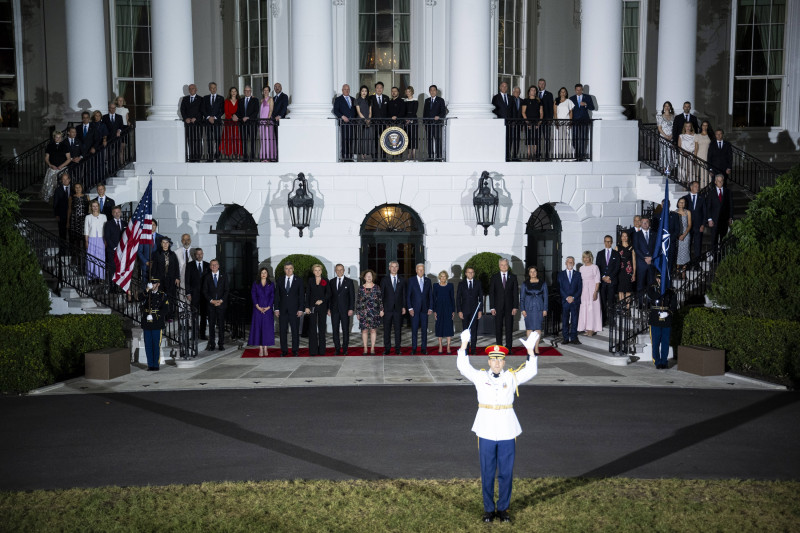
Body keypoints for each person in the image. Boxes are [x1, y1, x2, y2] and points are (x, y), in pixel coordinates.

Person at [456, 331, 539, 524]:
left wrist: (530, 352)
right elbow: (463, 367)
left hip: (506, 428)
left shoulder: (510, 377)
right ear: (488, 361)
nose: (496, 363)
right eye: (493, 359)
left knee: (506, 472)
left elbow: (531, 371)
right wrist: (464, 344)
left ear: (503, 362)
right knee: (487, 470)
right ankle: (488, 509)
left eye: (500, 360)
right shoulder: (479, 376)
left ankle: (503, 508)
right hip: (485, 428)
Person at [129, 279, 170, 371]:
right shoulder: (147, 293)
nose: (153, 285)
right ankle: (150, 364)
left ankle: (156, 365)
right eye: (151, 283)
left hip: (156, 322)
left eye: (154, 283)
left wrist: (155, 316)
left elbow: (165, 309)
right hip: (146, 322)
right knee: (148, 344)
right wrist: (147, 289)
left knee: (156, 344)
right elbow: (139, 298)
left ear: (158, 284)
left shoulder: (163, 295)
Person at [646, 272, 677, 369]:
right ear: (657, 279)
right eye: (659, 278)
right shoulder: (652, 289)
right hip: (655, 319)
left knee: (665, 342)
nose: (660, 280)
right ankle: (657, 362)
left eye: (662, 279)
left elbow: (674, 306)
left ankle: (664, 361)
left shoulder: (670, 292)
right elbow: (653, 297)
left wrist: (668, 313)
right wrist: (661, 290)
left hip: (666, 319)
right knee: (655, 342)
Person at [274, 262, 304, 357]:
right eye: (286, 268)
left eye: (290, 268)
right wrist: (276, 309)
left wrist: (300, 309)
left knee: (295, 331)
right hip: (282, 310)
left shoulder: (299, 280)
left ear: (293, 269)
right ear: (284, 270)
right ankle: (284, 350)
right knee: (283, 331)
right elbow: (277, 296)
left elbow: (301, 296)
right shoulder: (280, 280)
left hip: (295, 310)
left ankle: (295, 350)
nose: (288, 270)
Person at [489, 258, 519, 349]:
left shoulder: (513, 277)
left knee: (509, 328)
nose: (504, 266)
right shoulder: (494, 277)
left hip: (510, 307)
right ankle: (499, 347)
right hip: (497, 307)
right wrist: (492, 307)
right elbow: (492, 293)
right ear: (499, 266)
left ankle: (509, 347)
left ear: (508, 265)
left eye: (505, 264)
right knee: (498, 328)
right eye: (502, 265)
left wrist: (515, 307)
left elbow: (515, 293)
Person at [519, 266, 547, 354]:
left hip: (539, 308)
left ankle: (537, 348)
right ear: (529, 273)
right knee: (529, 329)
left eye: (534, 271)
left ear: (537, 272)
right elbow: (522, 298)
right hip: (528, 308)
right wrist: (522, 309)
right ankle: (530, 347)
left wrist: (545, 309)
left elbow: (546, 297)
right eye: (531, 271)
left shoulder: (543, 283)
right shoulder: (525, 284)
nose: (533, 273)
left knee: (538, 328)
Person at [380, 261, 406, 354]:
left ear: (398, 268)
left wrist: (403, 306)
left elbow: (403, 294)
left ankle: (397, 349)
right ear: (389, 268)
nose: (394, 268)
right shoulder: (384, 280)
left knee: (398, 330)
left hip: (398, 309)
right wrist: (381, 308)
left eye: (396, 267)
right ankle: (387, 349)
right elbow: (381, 295)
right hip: (387, 309)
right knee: (387, 330)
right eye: (392, 266)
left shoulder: (402, 280)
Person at [202, 259, 229, 350]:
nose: (214, 266)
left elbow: (226, 290)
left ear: (218, 266)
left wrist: (221, 301)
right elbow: (205, 291)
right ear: (210, 267)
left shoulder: (224, 276)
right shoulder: (207, 277)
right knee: (211, 326)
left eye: (215, 265)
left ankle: (221, 344)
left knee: (221, 325)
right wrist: (211, 301)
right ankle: (212, 344)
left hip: (221, 305)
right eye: (212, 265)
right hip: (211, 305)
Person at [329, 263, 355, 355]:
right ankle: (337, 348)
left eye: (341, 270)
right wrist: (328, 308)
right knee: (335, 330)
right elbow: (329, 296)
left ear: (344, 270)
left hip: (345, 310)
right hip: (334, 310)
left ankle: (345, 349)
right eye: (337, 270)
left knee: (345, 330)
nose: (339, 271)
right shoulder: (331, 282)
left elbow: (352, 297)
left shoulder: (349, 282)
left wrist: (351, 308)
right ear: (335, 271)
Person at [705, 173, 733, 261]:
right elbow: (708, 207)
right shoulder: (711, 192)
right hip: (714, 220)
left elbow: (731, 205)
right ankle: (715, 256)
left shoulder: (728, 192)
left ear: (723, 182)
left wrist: (730, 217)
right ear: (715, 182)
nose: (720, 183)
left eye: (721, 181)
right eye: (718, 181)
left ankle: (722, 255)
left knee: (723, 238)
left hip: (724, 220)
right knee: (714, 239)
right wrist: (709, 219)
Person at [356, 269, 383, 355]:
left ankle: (372, 348)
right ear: (364, 277)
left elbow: (380, 300)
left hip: (374, 312)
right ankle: (365, 348)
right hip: (363, 313)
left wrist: (382, 310)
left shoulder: (377, 287)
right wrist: (357, 312)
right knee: (364, 331)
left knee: (373, 330)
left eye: (370, 276)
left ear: (373, 277)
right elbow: (358, 301)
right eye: (367, 276)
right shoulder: (360, 288)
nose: (369, 277)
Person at [407, 263, 433, 354]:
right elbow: (408, 296)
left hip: (425, 309)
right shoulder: (411, 280)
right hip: (414, 309)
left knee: (424, 330)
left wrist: (430, 307)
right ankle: (414, 348)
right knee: (414, 330)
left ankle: (423, 348)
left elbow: (430, 295)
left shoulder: (428, 281)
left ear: (424, 270)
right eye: (419, 269)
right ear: (416, 270)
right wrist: (410, 308)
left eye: (422, 269)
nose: (421, 271)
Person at [457, 266, 483, 355]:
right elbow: (458, 298)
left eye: (472, 272)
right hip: (464, 311)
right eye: (469, 272)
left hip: (475, 311)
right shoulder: (461, 284)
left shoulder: (478, 283)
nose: (470, 274)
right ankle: (466, 348)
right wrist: (459, 311)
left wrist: (480, 310)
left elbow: (481, 298)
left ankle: (473, 348)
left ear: (474, 273)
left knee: (474, 330)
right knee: (465, 330)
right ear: (465, 273)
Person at [249, 267, 275, 356]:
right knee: (258, 329)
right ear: (260, 274)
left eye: (265, 273)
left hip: (268, 310)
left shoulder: (271, 284)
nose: (263, 274)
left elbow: (272, 296)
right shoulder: (255, 284)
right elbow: (253, 295)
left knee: (266, 329)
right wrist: (258, 307)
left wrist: (268, 307)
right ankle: (260, 349)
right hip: (257, 309)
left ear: (267, 274)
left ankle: (266, 348)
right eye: (262, 273)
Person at [305, 264, 330, 356]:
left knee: (322, 328)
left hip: (322, 307)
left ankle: (322, 350)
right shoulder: (310, 281)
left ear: (321, 271)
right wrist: (307, 307)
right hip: (312, 307)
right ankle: (313, 351)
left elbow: (328, 294)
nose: (317, 272)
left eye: (319, 270)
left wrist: (322, 300)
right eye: (316, 270)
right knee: (312, 329)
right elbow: (307, 294)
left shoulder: (325, 280)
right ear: (313, 271)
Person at [150, 237, 180, 312]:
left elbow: (176, 267)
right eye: (163, 242)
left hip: (171, 280)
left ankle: (170, 315)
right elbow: (154, 268)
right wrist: (155, 281)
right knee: (160, 297)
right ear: (161, 244)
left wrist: (177, 278)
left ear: (169, 244)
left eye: (167, 243)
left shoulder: (173, 254)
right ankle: (161, 315)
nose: (165, 244)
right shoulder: (157, 254)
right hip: (160, 280)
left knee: (171, 298)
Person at [186, 248, 210, 340]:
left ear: (203, 254)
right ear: (195, 255)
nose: (199, 256)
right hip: (194, 294)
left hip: (205, 295)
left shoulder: (208, 265)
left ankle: (202, 334)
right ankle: (195, 335)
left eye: (201, 254)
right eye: (197, 254)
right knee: (194, 315)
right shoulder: (190, 265)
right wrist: (188, 293)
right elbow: (187, 280)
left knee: (204, 315)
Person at [596, 235, 620, 325]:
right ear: (604, 242)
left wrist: (609, 277)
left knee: (611, 301)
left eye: (609, 241)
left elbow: (617, 267)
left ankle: (611, 319)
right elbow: (597, 267)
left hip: (612, 281)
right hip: (602, 282)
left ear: (612, 242)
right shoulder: (600, 253)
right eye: (606, 241)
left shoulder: (616, 254)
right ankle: (602, 320)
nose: (608, 243)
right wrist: (603, 277)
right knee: (602, 301)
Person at [558, 256, 582, 344]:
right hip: (565, 301)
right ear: (566, 263)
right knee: (565, 320)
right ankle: (565, 338)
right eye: (569, 262)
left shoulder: (578, 274)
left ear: (574, 263)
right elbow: (560, 288)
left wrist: (573, 297)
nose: (570, 263)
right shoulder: (561, 274)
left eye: (572, 262)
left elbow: (580, 288)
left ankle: (574, 338)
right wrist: (567, 297)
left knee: (575, 320)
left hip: (575, 301)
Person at [577, 251, 602, 337]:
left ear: (590, 257)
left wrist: (595, 292)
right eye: (584, 257)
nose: (586, 259)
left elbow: (597, 281)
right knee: (585, 309)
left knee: (592, 309)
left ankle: (592, 329)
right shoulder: (581, 268)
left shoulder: (595, 267)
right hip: (584, 291)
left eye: (587, 257)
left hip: (592, 290)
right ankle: (587, 328)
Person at [42, 130, 71, 201]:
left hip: (62, 169)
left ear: (61, 138)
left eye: (60, 137)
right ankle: (52, 200)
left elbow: (69, 159)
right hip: (52, 169)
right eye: (56, 137)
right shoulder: (50, 146)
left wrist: (61, 166)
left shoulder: (65, 146)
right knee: (50, 187)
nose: (58, 139)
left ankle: (63, 198)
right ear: (54, 137)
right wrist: (50, 165)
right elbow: (46, 158)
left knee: (62, 185)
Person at [682, 180, 706, 261]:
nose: (697, 188)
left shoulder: (702, 198)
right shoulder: (685, 198)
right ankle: (687, 262)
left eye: (698, 186)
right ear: (691, 187)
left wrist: (703, 224)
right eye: (696, 186)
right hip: (688, 226)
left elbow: (705, 212)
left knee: (698, 244)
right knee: (687, 244)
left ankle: (697, 262)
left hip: (698, 226)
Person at [83, 199, 107, 282]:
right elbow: (86, 230)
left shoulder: (103, 216)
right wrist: (86, 241)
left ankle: (100, 277)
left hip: (101, 239)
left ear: (98, 207)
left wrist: (105, 241)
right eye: (93, 206)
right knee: (91, 257)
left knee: (100, 257)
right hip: (91, 239)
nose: (95, 208)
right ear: (91, 208)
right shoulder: (88, 217)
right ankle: (91, 277)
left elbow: (105, 230)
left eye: (96, 206)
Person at [432, 271, 455, 353]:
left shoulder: (450, 286)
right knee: (439, 327)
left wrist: (453, 310)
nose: (443, 278)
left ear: (447, 277)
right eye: (441, 276)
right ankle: (440, 346)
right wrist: (434, 310)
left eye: (444, 276)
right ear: (439, 277)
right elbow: (434, 299)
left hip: (448, 308)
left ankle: (448, 347)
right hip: (439, 309)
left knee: (448, 327)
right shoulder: (435, 286)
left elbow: (452, 298)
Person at [569, 83, 594, 160]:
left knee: (583, 137)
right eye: (577, 90)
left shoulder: (587, 97)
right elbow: (569, 110)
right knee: (575, 138)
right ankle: (577, 154)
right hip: (575, 121)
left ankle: (582, 156)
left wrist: (586, 104)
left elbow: (592, 107)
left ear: (582, 89)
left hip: (584, 120)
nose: (579, 91)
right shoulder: (571, 98)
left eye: (580, 90)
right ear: (575, 90)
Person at [202, 82, 225, 161]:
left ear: (216, 88)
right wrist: (208, 117)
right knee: (209, 139)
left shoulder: (221, 98)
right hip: (208, 122)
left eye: (215, 87)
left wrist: (214, 117)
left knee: (218, 139)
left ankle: (217, 156)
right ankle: (210, 156)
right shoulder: (205, 98)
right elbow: (203, 109)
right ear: (209, 89)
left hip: (217, 122)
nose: (213, 89)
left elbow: (222, 110)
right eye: (212, 88)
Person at [492, 82, 515, 160]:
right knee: (500, 140)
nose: (504, 88)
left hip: (509, 123)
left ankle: (508, 156)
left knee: (509, 140)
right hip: (499, 123)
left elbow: (513, 110)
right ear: (500, 88)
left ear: (507, 88)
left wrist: (513, 121)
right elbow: (494, 110)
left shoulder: (511, 97)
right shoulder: (496, 97)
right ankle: (500, 156)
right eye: (503, 86)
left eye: (506, 86)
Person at [423, 84, 447, 161]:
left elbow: (443, 111)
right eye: (431, 90)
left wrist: (439, 117)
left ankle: (438, 157)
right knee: (429, 140)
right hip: (428, 124)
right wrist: (425, 123)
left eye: (434, 90)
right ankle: (430, 156)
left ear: (436, 91)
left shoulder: (440, 100)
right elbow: (425, 113)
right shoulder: (427, 100)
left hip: (437, 124)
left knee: (437, 140)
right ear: (429, 92)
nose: (432, 92)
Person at [333, 84, 356, 161]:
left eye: (348, 89)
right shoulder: (338, 99)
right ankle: (345, 157)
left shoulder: (353, 99)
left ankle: (351, 156)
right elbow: (335, 110)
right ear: (342, 90)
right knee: (345, 140)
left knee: (352, 140)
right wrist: (342, 116)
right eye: (345, 89)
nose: (347, 90)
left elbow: (356, 111)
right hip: (344, 123)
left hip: (352, 123)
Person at [180, 83, 203, 161]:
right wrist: (186, 118)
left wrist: (196, 118)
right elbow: (182, 110)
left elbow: (202, 110)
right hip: (188, 124)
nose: (191, 90)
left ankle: (198, 157)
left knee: (198, 140)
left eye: (193, 88)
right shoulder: (185, 99)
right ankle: (192, 157)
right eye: (190, 89)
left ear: (196, 89)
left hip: (197, 123)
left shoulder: (200, 99)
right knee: (190, 140)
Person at [634, 217, 656, 293]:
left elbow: (657, 248)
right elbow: (636, 249)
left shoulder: (654, 234)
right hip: (641, 263)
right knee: (640, 284)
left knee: (651, 284)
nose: (645, 224)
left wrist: (651, 258)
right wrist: (645, 258)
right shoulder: (636, 235)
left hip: (651, 262)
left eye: (646, 222)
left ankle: (650, 303)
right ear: (640, 223)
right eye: (643, 222)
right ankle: (640, 303)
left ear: (649, 223)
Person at [237, 85, 259, 161]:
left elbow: (256, 111)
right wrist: (236, 116)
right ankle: (245, 157)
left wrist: (248, 117)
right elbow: (239, 112)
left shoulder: (255, 100)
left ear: (251, 91)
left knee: (253, 140)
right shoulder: (240, 101)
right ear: (244, 92)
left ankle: (252, 157)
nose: (247, 92)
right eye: (246, 91)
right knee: (244, 141)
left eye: (249, 91)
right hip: (243, 124)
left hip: (252, 124)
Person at [104, 205, 124, 288]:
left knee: (122, 269)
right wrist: (116, 248)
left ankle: (121, 286)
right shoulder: (108, 224)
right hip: (112, 251)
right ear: (112, 213)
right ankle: (112, 287)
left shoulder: (125, 223)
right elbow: (107, 238)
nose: (117, 214)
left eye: (118, 212)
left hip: (123, 252)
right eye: (115, 212)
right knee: (113, 270)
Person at [220, 86, 242, 159]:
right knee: (229, 139)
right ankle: (230, 155)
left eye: (235, 91)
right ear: (230, 92)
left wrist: (237, 117)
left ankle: (237, 154)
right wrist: (233, 117)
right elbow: (226, 112)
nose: (233, 93)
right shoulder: (226, 101)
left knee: (237, 139)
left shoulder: (240, 101)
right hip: (229, 122)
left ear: (237, 92)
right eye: (232, 91)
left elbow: (241, 111)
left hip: (237, 123)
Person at [52, 172, 72, 253]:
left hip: (72, 215)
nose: (65, 181)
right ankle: (62, 250)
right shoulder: (58, 190)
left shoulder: (74, 189)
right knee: (62, 233)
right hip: (62, 214)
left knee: (72, 234)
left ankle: (72, 250)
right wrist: (56, 214)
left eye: (66, 179)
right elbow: (55, 203)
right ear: (61, 181)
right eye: (63, 179)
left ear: (69, 180)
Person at [521, 85, 542, 160]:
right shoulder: (525, 100)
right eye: (532, 90)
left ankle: (535, 154)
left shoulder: (539, 101)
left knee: (536, 138)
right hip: (528, 122)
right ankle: (529, 154)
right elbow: (523, 112)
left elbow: (541, 113)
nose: (533, 91)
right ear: (529, 92)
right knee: (529, 138)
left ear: (536, 92)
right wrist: (527, 122)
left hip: (536, 122)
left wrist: (539, 122)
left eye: (534, 90)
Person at [67, 181, 89, 251]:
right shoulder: (71, 198)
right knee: (76, 240)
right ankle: (77, 255)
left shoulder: (86, 197)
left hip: (84, 220)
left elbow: (89, 210)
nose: (78, 189)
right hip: (74, 220)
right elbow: (69, 209)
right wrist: (68, 222)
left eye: (79, 187)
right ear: (74, 189)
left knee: (84, 237)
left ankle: (85, 255)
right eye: (76, 187)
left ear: (82, 188)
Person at [616, 230, 636, 305]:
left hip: (628, 271)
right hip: (620, 271)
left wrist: (634, 273)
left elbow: (634, 262)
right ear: (620, 237)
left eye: (626, 236)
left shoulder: (631, 248)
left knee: (628, 290)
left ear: (628, 237)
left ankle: (627, 308)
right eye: (623, 236)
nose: (624, 237)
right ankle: (621, 307)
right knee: (620, 289)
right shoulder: (617, 247)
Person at [553, 87, 574, 159]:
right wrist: (556, 122)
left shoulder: (569, 101)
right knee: (559, 139)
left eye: (564, 92)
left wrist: (570, 122)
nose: (563, 93)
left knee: (567, 139)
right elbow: (555, 113)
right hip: (559, 122)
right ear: (559, 93)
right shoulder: (556, 101)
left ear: (566, 93)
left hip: (567, 121)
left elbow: (571, 112)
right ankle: (559, 155)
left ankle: (567, 155)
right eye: (561, 92)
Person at [370, 81, 389, 159]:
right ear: (375, 89)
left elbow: (388, 111)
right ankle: (375, 157)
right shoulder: (371, 98)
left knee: (384, 141)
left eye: (381, 88)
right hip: (374, 123)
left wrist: (388, 123)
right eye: (377, 88)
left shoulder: (386, 98)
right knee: (374, 141)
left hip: (384, 123)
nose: (379, 89)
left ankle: (384, 157)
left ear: (383, 89)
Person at [537, 79, 554, 158]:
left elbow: (551, 107)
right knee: (537, 137)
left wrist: (550, 118)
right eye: (540, 83)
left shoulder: (549, 94)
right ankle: (538, 153)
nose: (541, 85)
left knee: (547, 138)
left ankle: (547, 154)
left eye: (543, 84)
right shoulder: (535, 93)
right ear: (538, 84)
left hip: (546, 120)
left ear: (545, 84)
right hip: (537, 120)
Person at [674, 196, 692, 275]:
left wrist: (684, 235)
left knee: (685, 251)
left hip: (686, 235)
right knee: (678, 252)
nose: (681, 203)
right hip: (677, 235)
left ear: (685, 204)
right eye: (680, 202)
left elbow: (689, 225)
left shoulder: (688, 212)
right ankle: (677, 270)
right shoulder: (674, 212)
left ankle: (684, 270)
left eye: (683, 202)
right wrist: (677, 235)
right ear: (678, 203)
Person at [656, 101, 675, 172]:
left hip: (671, 137)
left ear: (670, 107)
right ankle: (664, 169)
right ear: (664, 107)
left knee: (670, 153)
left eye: (668, 106)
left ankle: (669, 169)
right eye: (665, 106)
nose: (667, 107)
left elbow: (675, 128)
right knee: (664, 152)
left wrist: (671, 135)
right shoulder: (660, 117)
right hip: (663, 137)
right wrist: (665, 136)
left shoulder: (673, 116)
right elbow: (659, 128)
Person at [355, 85, 372, 160]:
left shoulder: (369, 100)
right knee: (361, 138)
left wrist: (369, 119)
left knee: (367, 137)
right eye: (362, 91)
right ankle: (361, 153)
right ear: (360, 92)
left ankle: (366, 152)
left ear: (367, 92)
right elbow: (358, 112)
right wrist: (365, 119)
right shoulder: (357, 100)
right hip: (360, 121)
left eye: (365, 91)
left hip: (368, 121)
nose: (364, 92)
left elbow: (370, 111)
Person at [259, 86, 276, 161]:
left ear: (269, 91)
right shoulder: (261, 100)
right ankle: (263, 156)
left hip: (267, 122)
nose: (266, 91)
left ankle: (269, 157)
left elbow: (271, 110)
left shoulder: (270, 99)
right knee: (263, 140)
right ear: (263, 91)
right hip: (261, 122)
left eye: (267, 90)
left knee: (268, 139)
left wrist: (268, 120)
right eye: (264, 90)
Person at [695, 121, 713, 187]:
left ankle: (707, 187)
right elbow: (696, 148)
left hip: (708, 156)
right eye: (703, 125)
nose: (704, 127)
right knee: (699, 173)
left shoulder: (710, 136)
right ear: (701, 126)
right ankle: (701, 188)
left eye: (706, 125)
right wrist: (694, 157)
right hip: (699, 155)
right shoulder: (697, 135)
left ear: (708, 127)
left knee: (707, 173)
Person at [403, 86, 418, 160]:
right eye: (407, 92)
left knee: (414, 137)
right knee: (407, 137)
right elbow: (404, 112)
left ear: (412, 92)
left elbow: (414, 111)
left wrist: (410, 119)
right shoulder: (405, 101)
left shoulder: (415, 100)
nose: (408, 93)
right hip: (406, 121)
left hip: (413, 120)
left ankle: (414, 154)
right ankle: (409, 153)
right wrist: (406, 120)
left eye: (409, 91)